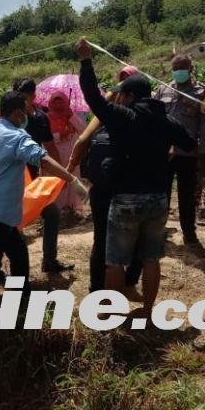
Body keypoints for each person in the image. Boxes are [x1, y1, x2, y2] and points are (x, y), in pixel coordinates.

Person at [77, 38, 196, 310]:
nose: (120, 98)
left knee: (115, 260)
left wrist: (86, 61)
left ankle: (109, 311)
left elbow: (93, 97)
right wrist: (167, 152)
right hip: (158, 198)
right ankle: (147, 311)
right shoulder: (168, 120)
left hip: (127, 198)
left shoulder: (125, 116)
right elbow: (190, 144)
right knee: (151, 258)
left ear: (129, 96)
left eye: (122, 95)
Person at [0, 91, 86, 317]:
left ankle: (22, 301)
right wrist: (72, 179)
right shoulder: (17, 137)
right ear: (18, 112)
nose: (27, 117)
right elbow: (43, 160)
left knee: (19, 255)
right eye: (26, 112)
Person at [68, 68, 143, 293]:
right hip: (120, 187)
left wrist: (70, 168)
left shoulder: (115, 112)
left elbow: (82, 140)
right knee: (126, 239)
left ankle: (108, 287)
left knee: (106, 240)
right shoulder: (139, 113)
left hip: (113, 186)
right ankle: (119, 285)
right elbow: (82, 140)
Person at [153, 55, 205, 246]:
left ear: (190, 68)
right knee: (162, 193)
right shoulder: (163, 89)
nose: (178, 71)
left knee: (186, 196)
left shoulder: (201, 92)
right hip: (164, 152)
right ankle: (159, 230)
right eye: (175, 67)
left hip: (188, 152)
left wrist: (203, 152)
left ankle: (189, 233)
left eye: (182, 67)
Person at [15, 78, 72, 273]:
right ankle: (6, 270)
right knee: (11, 227)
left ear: (33, 97)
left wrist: (60, 175)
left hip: (33, 182)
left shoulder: (40, 118)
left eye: (24, 97)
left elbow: (49, 148)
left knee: (52, 214)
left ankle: (49, 261)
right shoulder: (8, 120)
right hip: (11, 182)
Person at [47, 90, 86, 214]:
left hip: (71, 154)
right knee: (57, 179)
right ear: (50, 104)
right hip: (54, 154)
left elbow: (84, 132)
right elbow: (44, 139)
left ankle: (72, 209)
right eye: (55, 102)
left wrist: (72, 117)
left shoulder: (71, 116)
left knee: (72, 179)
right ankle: (56, 210)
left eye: (61, 102)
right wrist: (60, 135)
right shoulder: (46, 118)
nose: (58, 106)